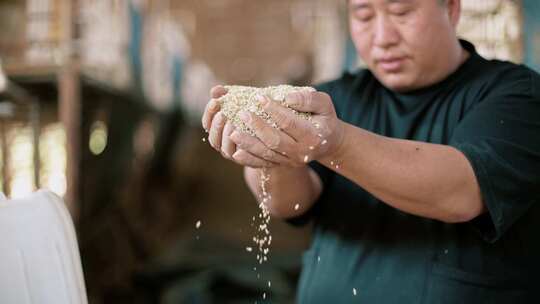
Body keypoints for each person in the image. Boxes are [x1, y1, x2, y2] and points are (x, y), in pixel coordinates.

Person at [201, 0, 540, 302]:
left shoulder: (515, 95)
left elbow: (463, 191)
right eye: (363, 15)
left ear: (451, 9)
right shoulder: (339, 97)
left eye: (401, 12)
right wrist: (269, 155)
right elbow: (290, 203)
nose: (382, 38)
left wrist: (336, 143)